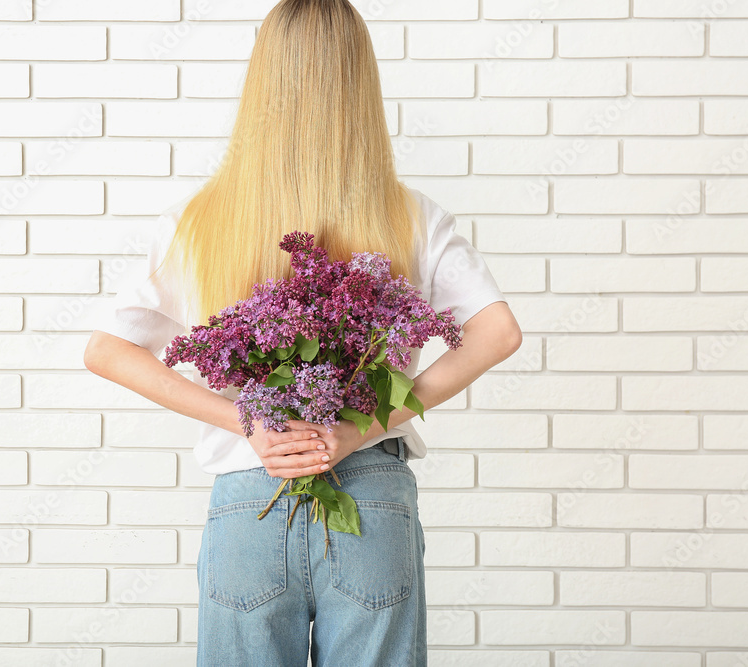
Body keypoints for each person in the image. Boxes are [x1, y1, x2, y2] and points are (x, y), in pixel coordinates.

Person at [83, 0, 522, 664]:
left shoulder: (199, 223)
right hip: (371, 495)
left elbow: (106, 349)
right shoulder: (410, 217)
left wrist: (249, 420)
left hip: (248, 498)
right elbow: (498, 332)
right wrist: (361, 427)